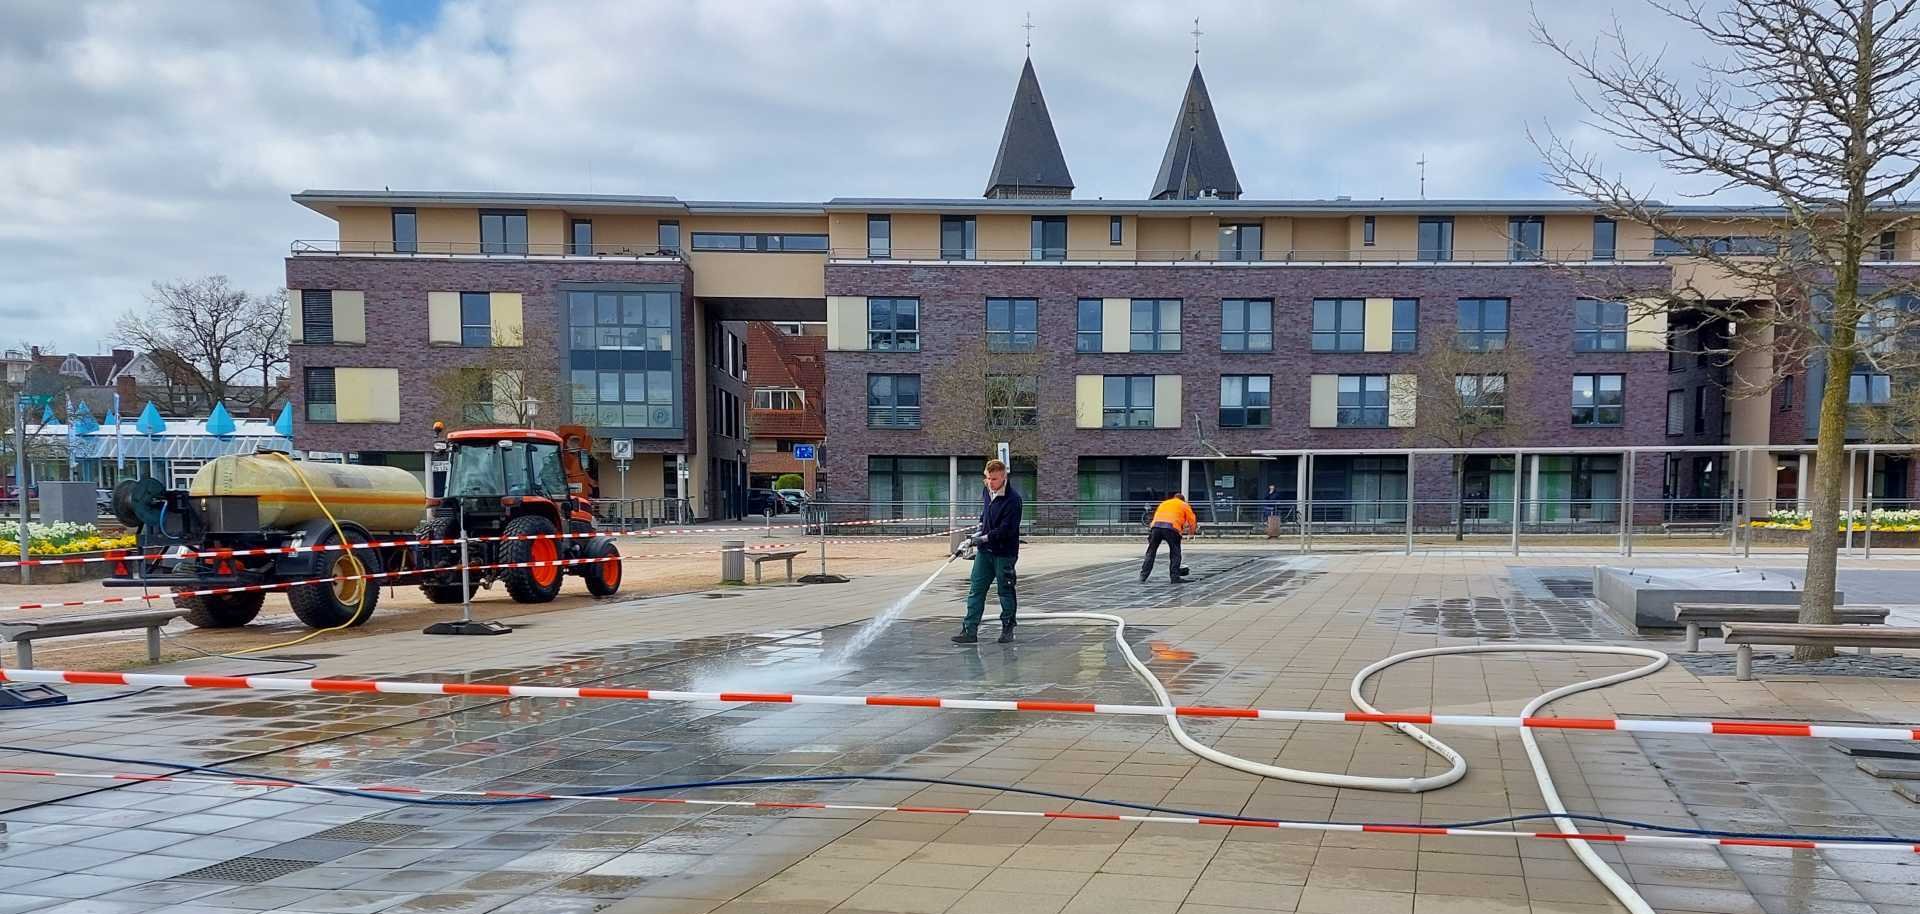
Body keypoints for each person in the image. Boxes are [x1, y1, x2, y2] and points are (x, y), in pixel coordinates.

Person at [953, 459, 1023, 645]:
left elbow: (1006, 530)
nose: (990, 483)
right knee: (976, 589)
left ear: (1003, 477)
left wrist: (981, 539)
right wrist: (974, 535)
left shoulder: (1013, 500)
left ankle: (1008, 628)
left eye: (994, 479)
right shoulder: (987, 491)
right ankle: (969, 630)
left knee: (1005, 590)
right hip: (985, 552)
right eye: (988, 478)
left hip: (1004, 552)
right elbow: (984, 520)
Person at [1141, 492, 1197, 583]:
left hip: (1156, 527)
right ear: (1183, 500)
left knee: (1151, 552)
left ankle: (1143, 576)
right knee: (1175, 553)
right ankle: (1175, 577)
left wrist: (1151, 534)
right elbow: (1192, 520)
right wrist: (1191, 533)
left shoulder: (1164, 503)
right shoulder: (1184, 505)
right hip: (1171, 528)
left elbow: (1156, 516)